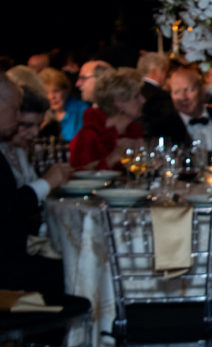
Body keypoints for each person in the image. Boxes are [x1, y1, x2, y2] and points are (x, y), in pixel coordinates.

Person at [0, 75, 70, 296]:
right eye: (16, 111)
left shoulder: (17, 152)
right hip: (7, 269)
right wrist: (47, 183)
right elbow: (8, 209)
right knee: (65, 271)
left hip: (14, 255)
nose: (18, 117)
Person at [68, 68, 144, 170]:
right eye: (136, 96)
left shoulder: (134, 132)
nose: (143, 100)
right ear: (119, 102)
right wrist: (113, 158)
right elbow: (80, 178)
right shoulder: (90, 136)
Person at [160, 66, 212, 152]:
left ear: (203, 91)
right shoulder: (164, 127)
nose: (183, 97)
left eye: (188, 90)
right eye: (176, 92)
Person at [39, 67, 88, 142]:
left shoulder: (82, 110)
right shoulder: (40, 113)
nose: (51, 97)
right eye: (46, 93)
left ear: (66, 90)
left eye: (56, 91)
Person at [137, 51, 175, 138]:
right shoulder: (160, 95)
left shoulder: (135, 91)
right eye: (164, 71)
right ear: (154, 72)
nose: (166, 75)